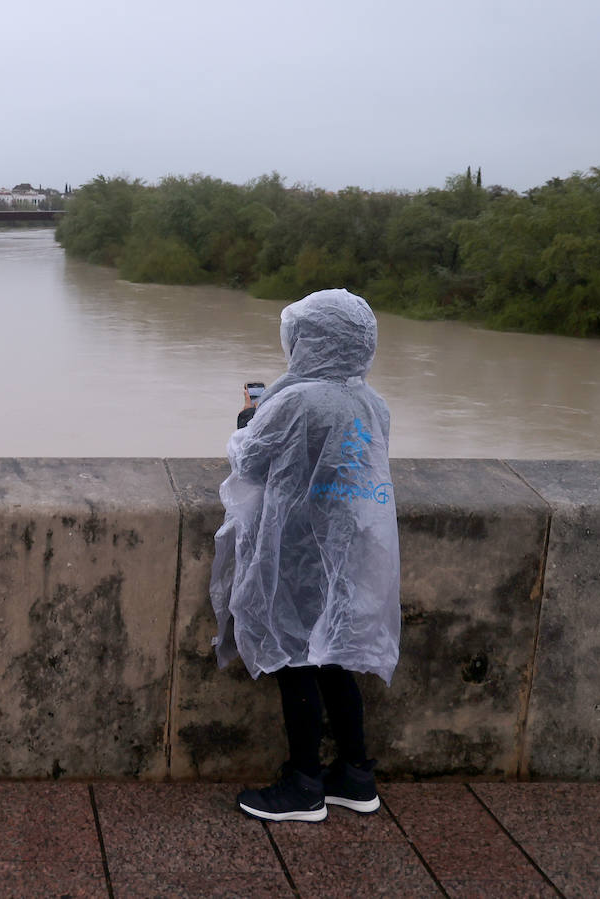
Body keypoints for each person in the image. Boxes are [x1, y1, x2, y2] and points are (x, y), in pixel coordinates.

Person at [209, 288, 400, 822]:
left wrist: (249, 418)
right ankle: (356, 776)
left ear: (309, 341)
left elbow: (249, 459)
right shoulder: (372, 401)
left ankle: (303, 785)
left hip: (295, 549)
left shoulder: (297, 400)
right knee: (336, 656)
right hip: (351, 548)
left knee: (293, 658)